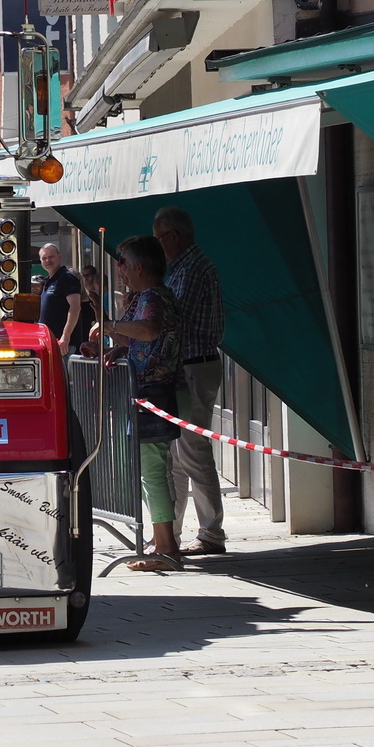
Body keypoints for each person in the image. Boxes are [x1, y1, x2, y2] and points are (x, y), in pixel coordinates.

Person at [97, 235, 183, 571]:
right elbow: (149, 340)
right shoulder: (159, 295)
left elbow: (149, 330)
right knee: (154, 471)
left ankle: (166, 548)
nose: (119, 271)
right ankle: (164, 543)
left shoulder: (152, 296)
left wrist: (111, 325)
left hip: (155, 393)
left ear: (138, 267)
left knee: (152, 472)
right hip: (157, 391)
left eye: (122, 264)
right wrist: (121, 347)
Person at [154, 205, 228, 556]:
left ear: (173, 236)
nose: (158, 246)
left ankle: (212, 534)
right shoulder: (181, 268)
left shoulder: (193, 268)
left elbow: (172, 318)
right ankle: (172, 534)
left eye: (159, 239)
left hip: (194, 366)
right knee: (177, 454)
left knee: (193, 451)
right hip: (186, 366)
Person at [36, 243, 84, 355]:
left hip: (65, 346)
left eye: (51, 257)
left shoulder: (67, 277)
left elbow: (75, 307)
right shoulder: (49, 280)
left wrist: (65, 337)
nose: (48, 260)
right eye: (44, 258)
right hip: (50, 344)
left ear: (59, 256)